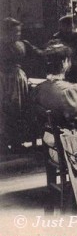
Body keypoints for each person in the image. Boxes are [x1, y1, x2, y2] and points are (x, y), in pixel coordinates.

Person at [0, 17, 42, 151]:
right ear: (6, 32)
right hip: (2, 80)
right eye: (14, 32)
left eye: (19, 31)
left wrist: (52, 50)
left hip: (17, 80)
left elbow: (38, 53)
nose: (18, 34)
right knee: (3, 111)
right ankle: (4, 143)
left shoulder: (23, 44)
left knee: (18, 110)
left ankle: (17, 142)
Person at [53, 15, 77, 82]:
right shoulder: (56, 36)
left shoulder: (76, 36)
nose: (67, 27)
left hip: (73, 57)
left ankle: (74, 78)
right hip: (60, 57)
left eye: (69, 25)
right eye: (64, 25)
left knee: (76, 62)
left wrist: (72, 53)